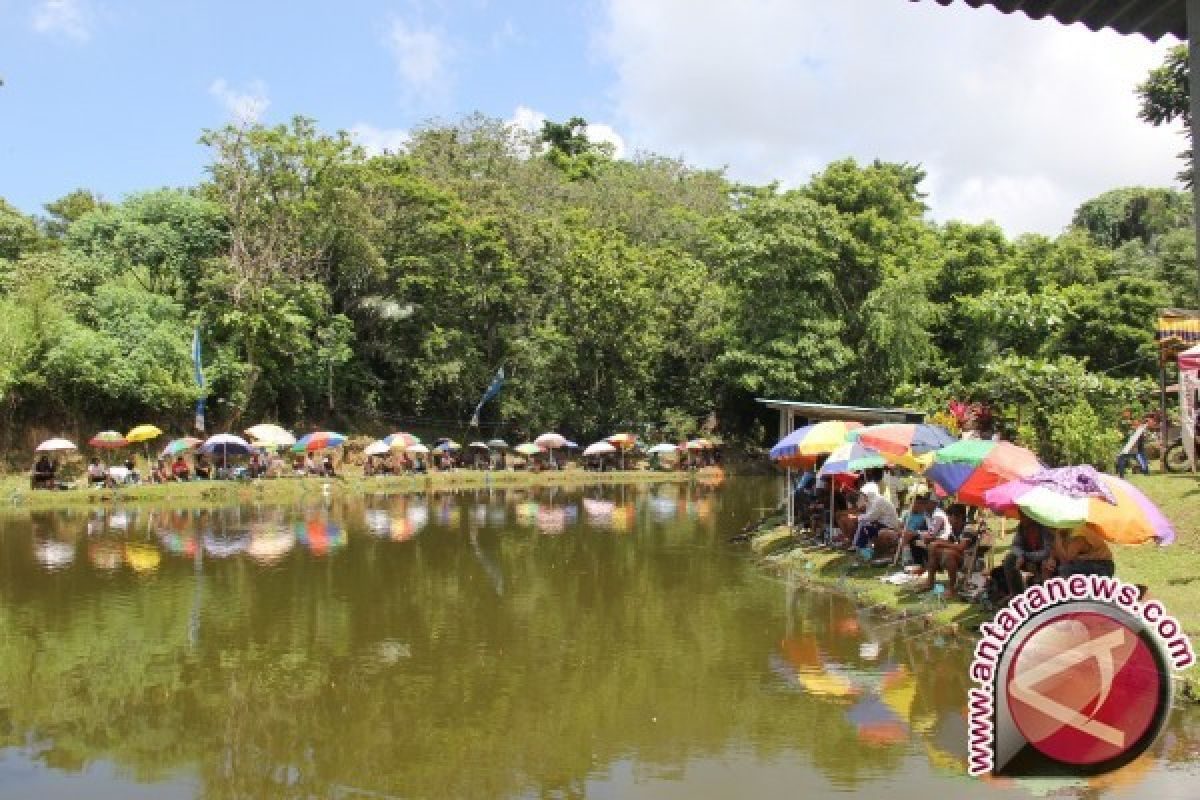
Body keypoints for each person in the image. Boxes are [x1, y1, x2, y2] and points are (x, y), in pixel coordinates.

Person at [990, 512, 1052, 602]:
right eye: (1021, 515)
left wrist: (1026, 556)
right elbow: (1015, 545)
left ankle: (1045, 597)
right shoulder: (1022, 527)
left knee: (1046, 564)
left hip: (1043, 559)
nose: (1022, 519)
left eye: (1024, 516)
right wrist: (1021, 555)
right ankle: (1016, 595)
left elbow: (1047, 551)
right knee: (1010, 559)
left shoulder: (1044, 527)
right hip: (1027, 558)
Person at [919, 504, 970, 598]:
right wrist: (934, 541)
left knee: (948, 554)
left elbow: (961, 547)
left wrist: (939, 543)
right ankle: (930, 581)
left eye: (949, 516)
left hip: (969, 559)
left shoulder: (968, 528)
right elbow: (950, 542)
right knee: (933, 547)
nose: (948, 519)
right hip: (960, 556)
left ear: (958, 517)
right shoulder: (954, 529)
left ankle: (952, 589)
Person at [1049, 525, 1115, 577]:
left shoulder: (1078, 534)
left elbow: (1065, 560)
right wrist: (1051, 559)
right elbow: (1055, 550)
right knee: (1047, 566)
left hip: (1102, 566)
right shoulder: (1064, 532)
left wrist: (1057, 537)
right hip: (1084, 563)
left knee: (1065, 570)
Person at [851, 484, 901, 551]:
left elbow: (871, 517)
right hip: (884, 524)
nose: (863, 497)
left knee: (864, 526)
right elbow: (869, 515)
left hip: (889, 525)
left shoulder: (878, 501)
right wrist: (859, 517)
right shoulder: (875, 501)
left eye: (864, 495)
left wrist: (857, 517)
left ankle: (859, 546)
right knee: (863, 524)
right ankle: (858, 545)